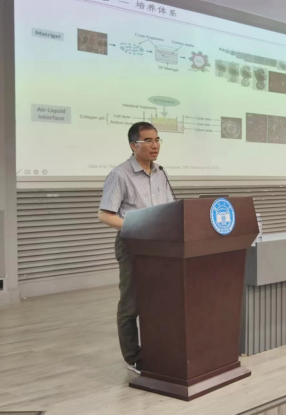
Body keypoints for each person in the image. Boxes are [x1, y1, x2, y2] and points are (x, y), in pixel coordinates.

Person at [98, 122, 174, 374]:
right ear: (134, 145)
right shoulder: (120, 175)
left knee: (158, 301)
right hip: (132, 245)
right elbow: (105, 215)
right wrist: (140, 226)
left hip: (159, 247)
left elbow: (170, 208)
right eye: (148, 141)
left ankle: (157, 348)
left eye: (157, 140)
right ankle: (132, 356)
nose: (155, 145)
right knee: (131, 304)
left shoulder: (161, 172)